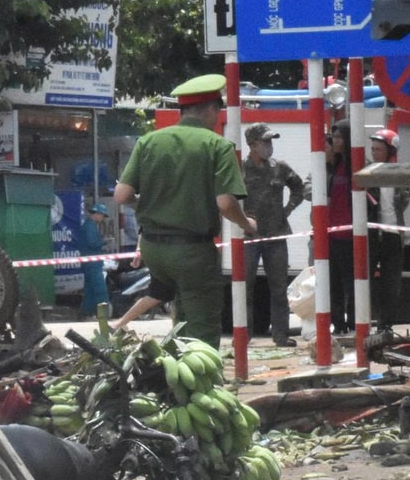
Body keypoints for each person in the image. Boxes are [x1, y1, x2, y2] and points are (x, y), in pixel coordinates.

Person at [110, 74, 252, 348]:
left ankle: (177, 381)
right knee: (202, 326)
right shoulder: (217, 146)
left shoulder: (149, 142)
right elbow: (225, 203)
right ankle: (204, 384)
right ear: (212, 109)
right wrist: (246, 224)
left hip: (154, 249)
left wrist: (153, 203)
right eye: (218, 112)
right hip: (191, 251)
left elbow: (122, 195)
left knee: (181, 318)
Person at [240, 123, 309, 346]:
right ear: (252, 145)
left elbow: (298, 187)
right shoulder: (241, 169)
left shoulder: (279, 167)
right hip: (249, 237)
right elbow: (227, 197)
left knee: (279, 288)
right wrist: (240, 219)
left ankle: (281, 335)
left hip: (277, 235)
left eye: (271, 142)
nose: (269, 146)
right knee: (244, 287)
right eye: (265, 142)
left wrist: (288, 209)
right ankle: (244, 336)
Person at [366, 128, 409, 329]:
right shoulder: (366, 172)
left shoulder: (399, 174)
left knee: (392, 283)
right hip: (371, 235)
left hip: (393, 235)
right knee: (366, 280)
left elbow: (404, 201)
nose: (374, 153)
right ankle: (366, 320)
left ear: (391, 151)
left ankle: (386, 325)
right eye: (372, 149)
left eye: (379, 150)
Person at [325, 121, 357, 334]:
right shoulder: (332, 167)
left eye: (339, 138)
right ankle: (338, 324)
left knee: (352, 283)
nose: (335, 142)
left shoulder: (357, 166)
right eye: (333, 138)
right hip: (331, 234)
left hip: (351, 236)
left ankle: (355, 323)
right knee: (332, 283)